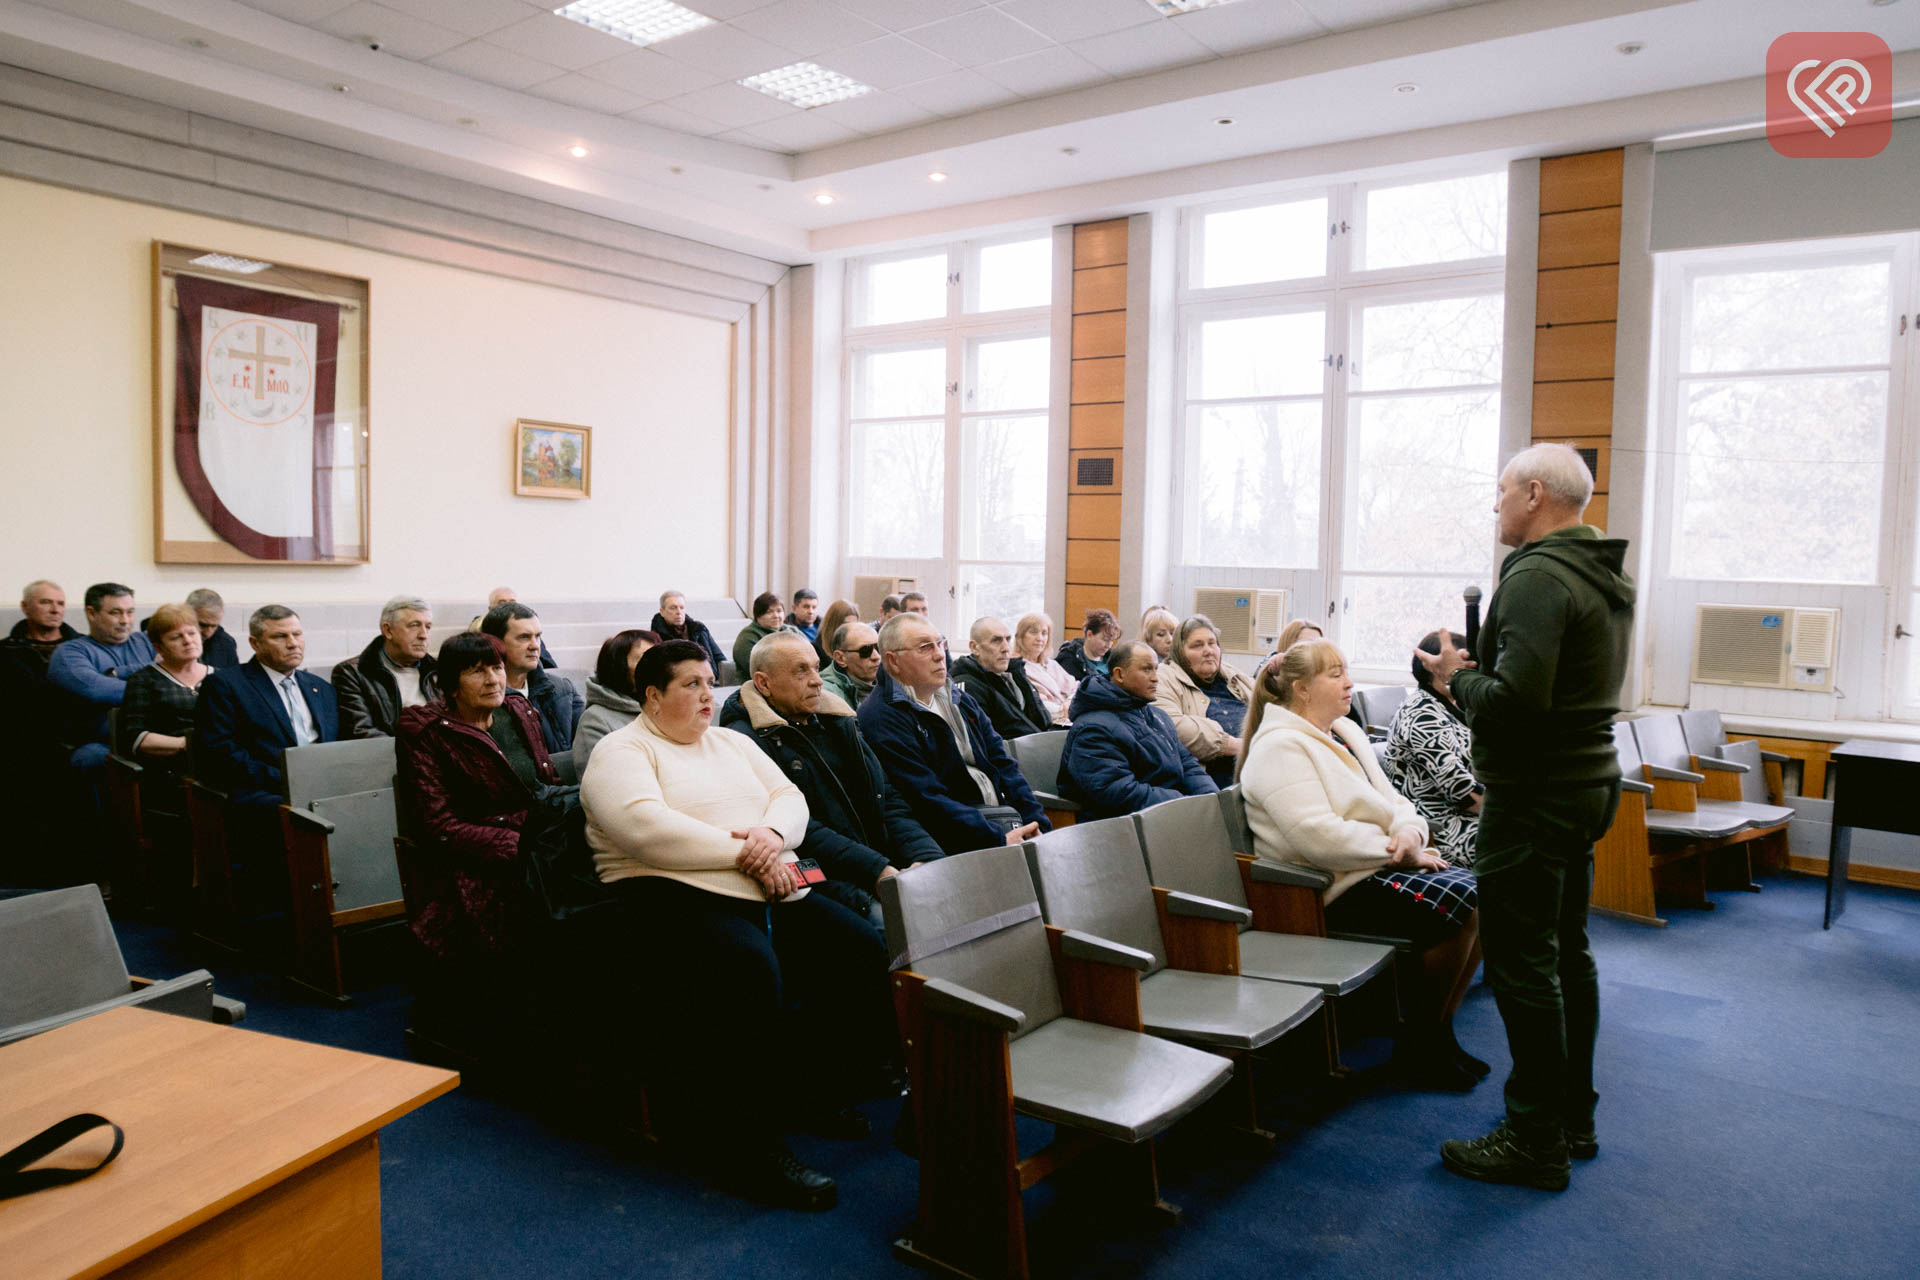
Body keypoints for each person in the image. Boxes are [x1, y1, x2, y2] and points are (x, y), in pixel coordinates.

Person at [582, 639, 894, 1210]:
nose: (708, 695)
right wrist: (752, 854)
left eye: (709, 682)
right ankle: (747, 1149)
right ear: (652, 696)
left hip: (765, 879)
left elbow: (789, 797)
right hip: (667, 892)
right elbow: (644, 829)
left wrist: (773, 840)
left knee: (857, 946)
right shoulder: (621, 750)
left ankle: (812, 1091)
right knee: (748, 968)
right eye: (691, 685)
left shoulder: (729, 742)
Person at [1417, 442, 1633, 1192]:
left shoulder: (1539, 576)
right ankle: (1573, 1115)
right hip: (1586, 782)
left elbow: (1514, 707)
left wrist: (1457, 680)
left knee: (1522, 963)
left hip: (1537, 794)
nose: (1498, 504)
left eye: (1502, 491)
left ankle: (1534, 1137)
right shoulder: (1600, 569)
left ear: (1534, 493)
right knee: (1567, 954)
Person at [1239, 638, 1485, 1091]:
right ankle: (1420, 1041)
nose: (1349, 682)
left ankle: (1437, 1031)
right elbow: (1318, 836)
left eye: (1346, 670)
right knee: (1457, 903)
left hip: (1374, 866)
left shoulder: (1346, 732)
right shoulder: (1278, 747)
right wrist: (1400, 849)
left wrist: (1412, 832)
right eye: (1335, 674)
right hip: (1324, 889)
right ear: (1303, 689)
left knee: (1481, 894)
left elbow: (1395, 801)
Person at [720, 631, 943, 923]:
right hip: (816, 874)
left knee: (948, 901)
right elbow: (803, 831)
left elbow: (887, 798)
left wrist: (925, 856)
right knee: (890, 926)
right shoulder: (745, 740)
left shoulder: (839, 722)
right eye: (801, 671)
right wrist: (877, 869)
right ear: (764, 684)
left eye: (815, 667)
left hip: (878, 863)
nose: (817, 679)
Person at [396, 631, 565, 966]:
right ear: (451, 684)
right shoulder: (428, 731)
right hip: (471, 856)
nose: (493, 680)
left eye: (497, 668)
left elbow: (548, 786)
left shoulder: (518, 712)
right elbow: (438, 823)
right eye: (477, 671)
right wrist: (518, 846)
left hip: (538, 841)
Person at [857, 614, 1048, 855]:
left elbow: (1003, 763)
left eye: (941, 643)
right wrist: (998, 839)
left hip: (997, 821)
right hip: (955, 840)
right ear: (893, 661)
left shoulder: (958, 699)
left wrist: (1037, 822)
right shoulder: (881, 716)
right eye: (925, 647)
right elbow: (926, 800)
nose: (939, 654)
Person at [194, 605, 341, 808]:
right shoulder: (226, 685)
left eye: (297, 634)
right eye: (280, 636)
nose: (293, 644)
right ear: (255, 643)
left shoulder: (321, 687)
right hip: (265, 791)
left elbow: (338, 744)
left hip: (325, 787)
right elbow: (222, 753)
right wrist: (289, 780)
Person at [1060, 641, 1216, 820]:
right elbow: (1119, 793)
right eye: (1146, 669)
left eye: (1156, 669)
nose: (1156, 678)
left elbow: (1186, 763)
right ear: (1119, 674)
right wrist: (1185, 804)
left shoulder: (1156, 715)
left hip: (1166, 814)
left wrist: (1210, 798)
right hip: (1121, 828)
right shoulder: (1093, 729)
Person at [1383, 630, 1482, 867]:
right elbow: (1463, 793)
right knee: (1530, 839)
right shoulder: (1421, 714)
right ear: (1432, 667)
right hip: (1439, 828)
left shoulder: (1454, 705)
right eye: (1459, 663)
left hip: (1467, 817)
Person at [47, 583, 156, 772]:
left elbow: (182, 670)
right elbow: (98, 690)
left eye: (130, 612)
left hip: (156, 735)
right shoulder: (69, 652)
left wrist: (118, 673)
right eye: (115, 612)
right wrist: (156, 676)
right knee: (93, 758)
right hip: (103, 743)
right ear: (91, 613)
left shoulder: (147, 640)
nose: (125, 620)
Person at [118, 603, 211, 792]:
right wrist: (189, 745)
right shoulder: (143, 680)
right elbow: (135, 737)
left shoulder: (221, 677)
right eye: (176, 637)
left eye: (192, 633)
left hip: (222, 764)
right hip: (171, 771)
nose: (188, 641)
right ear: (159, 647)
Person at [1154, 614, 1255, 785]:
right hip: (1208, 779)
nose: (1208, 650)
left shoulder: (1231, 673)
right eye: (1197, 645)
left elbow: (1266, 705)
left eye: (1212, 643)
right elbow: (1171, 725)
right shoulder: (1164, 676)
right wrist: (1234, 745)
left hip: (1254, 768)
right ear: (1180, 651)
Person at [481, 602, 583, 754]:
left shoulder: (563, 689)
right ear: (496, 643)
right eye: (524, 637)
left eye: (538, 637)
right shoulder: (482, 697)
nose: (535, 646)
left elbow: (586, 753)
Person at [332, 595, 439, 739]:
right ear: (388, 631)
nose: (424, 635)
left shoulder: (438, 670)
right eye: (414, 625)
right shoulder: (352, 673)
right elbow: (361, 732)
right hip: (390, 757)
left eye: (428, 627)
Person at [950, 616, 1051, 741]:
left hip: (1038, 747)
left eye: (1008, 640)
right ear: (975, 647)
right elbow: (982, 743)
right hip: (1014, 756)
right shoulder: (967, 685)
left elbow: (1043, 720)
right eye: (996, 641)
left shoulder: (1014, 674)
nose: (1006, 648)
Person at [574, 629, 656, 768]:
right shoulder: (595, 721)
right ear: (620, 667)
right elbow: (601, 783)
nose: (658, 667)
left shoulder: (663, 707)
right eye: (644, 659)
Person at [1014, 612, 1076, 726]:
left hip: (1070, 718)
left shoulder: (1051, 664)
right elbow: (1037, 705)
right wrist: (1065, 709)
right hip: (1047, 725)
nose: (1040, 638)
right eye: (1033, 632)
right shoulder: (1017, 667)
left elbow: (1076, 687)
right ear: (1021, 636)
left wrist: (1070, 702)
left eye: (1044, 633)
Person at [472, 586, 556, 666]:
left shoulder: (530, 630)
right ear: (490, 609)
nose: (534, 646)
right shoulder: (480, 629)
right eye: (502, 603)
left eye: (512, 602)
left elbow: (549, 665)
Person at [649, 589, 726, 672]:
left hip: (712, 681)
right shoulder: (655, 636)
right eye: (673, 608)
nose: (678, 612)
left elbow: (720, 658)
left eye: (682, 608)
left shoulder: (699, 629)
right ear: (662, 612)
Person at [731, 591, 793, 675]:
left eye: (779, 611)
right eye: (769, 612)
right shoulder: (748, 636)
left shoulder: (793, 631)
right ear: (758, 615)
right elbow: (756, 669)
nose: (776, 616)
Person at [821, 620, 879, 708]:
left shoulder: (892, 680)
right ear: (840, 658)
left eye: (878, 647)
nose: (876, 657)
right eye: (865, 650)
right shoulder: (828, 695)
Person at [1056, 607, 1119, 680]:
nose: (1108, 645)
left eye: (1111, 640)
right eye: (1105, 639)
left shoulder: (1114, 660)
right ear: (1089, 634)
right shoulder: (1069, 659)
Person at [186, 588, 240, 668]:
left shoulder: (226, 643)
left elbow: (234, 678)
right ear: (187, 615)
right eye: (202, 625)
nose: (208, 633)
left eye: (214, 626)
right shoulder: (167, 640)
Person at [816, 599, 859, 668]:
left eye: (854, 625)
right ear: (834, 624)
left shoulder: (855, 645)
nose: (851, 630)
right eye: (846, 625)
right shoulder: (816, 649)